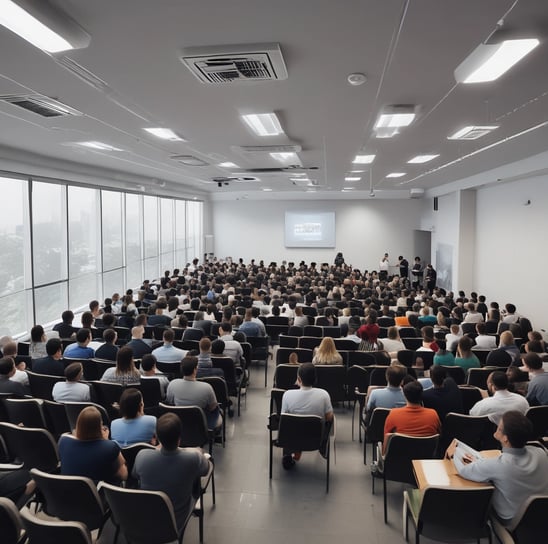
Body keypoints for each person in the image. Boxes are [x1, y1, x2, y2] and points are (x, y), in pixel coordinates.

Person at [447, 411, 548, 525]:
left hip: (512, 520)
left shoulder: (499, 465)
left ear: (505, 439)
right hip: (542, 515)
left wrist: (453, 455)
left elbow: (464, 471)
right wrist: (482, 463)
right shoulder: (541, 453)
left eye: (499, 428)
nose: (497, 429)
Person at [132, 413, 211, 531]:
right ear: (179, 439)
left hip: (146, 518)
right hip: (176, 522)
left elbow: (135, 475)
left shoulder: (142, 456)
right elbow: (205, 470)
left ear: (157, 437)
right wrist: (196, 452)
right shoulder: (193, 458)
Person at [281, 363, 333, 469]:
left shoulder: (287, 394)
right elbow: (329, 418)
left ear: (299, 379)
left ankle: (290, 453)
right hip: (315, 439)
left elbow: (284, 418)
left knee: (290, 425)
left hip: (292, 438)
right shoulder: (324, 394)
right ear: (315, 379)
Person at [58, 406, 127, 483]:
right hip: (99, 493)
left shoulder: (63, 440)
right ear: (99, 427)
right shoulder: (110, 447)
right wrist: (106, 440)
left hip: (68, 492)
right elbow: (124, 475)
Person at [166, 356, 222, 431]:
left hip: (179, 425)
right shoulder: (207, 387)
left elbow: (170, 402)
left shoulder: (172, 384)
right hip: (201, 427)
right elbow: (212, 407)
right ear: (195, 370)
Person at [383, 380, 441, 450]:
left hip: (399, 457)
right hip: (426, 457)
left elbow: (387, 437)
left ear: (404, 395)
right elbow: (439, 434)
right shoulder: (433, 414)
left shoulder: (394, 414)